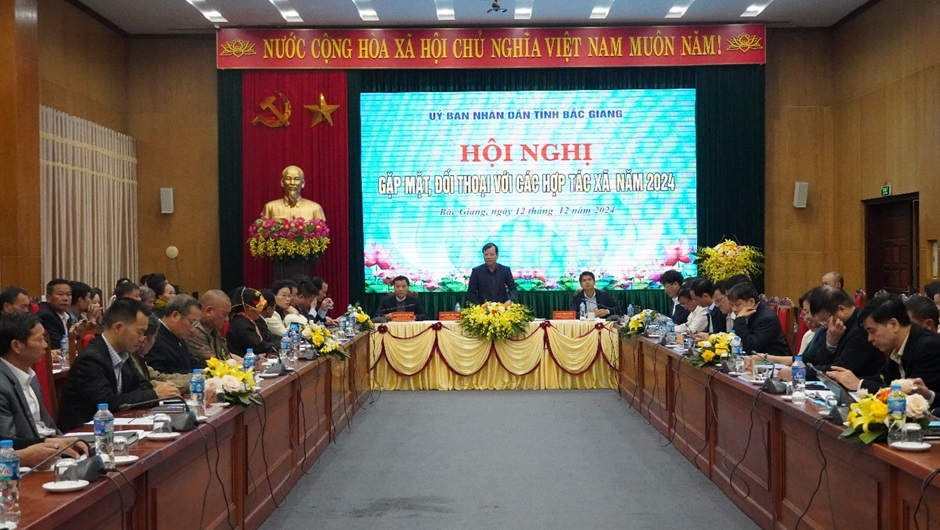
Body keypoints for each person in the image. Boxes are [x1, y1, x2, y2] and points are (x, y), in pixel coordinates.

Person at [57, 299, 181, 433]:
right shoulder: (91, 359)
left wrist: (145, 394)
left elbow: (144, 385)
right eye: (139, 332)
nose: (142, 339)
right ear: (118, 328)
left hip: (115, 428)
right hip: (82, 434)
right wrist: (154, 395)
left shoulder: (123, 354)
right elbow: (107, 403)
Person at [0, 312, 89, 457]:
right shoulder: (2, 386)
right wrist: (51, 444)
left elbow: (48, 427)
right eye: (40, 339)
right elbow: (7, 443)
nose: (46, 345)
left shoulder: (31, 377)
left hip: (49, 448)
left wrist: (64, 442)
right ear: (17, 346)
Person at [827, 295, 940, 398]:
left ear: (893, 324)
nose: (869, 338)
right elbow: (882, 379)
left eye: (872, 331)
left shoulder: (929, 346)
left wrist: (859, 384)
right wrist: (848, 380)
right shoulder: (898, 346)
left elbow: (913, 396)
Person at [780, 285, 883, 381]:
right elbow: (814, 359)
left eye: (825, 320)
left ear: (841, 309)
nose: (824, 325)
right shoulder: (833, 325)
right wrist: (830, 344)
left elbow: (839, 370)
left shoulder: (862, 329)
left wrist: (799, 372)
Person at [128, 314, 193, 394]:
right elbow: (149, 386)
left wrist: (198, 377)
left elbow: (159, 377)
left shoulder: (138, 356)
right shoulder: (129, 358)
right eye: (155, 337)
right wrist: (195, 383)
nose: (142, 340)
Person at [726, 281, 790, 356]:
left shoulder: (767, 318)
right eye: (732, 305)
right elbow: (733, 339)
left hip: (773, 361)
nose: (734, 309)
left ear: (752, 302)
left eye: (738, 305)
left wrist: (740, 320)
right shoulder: (747, 314)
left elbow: (750, 348)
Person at [146, 294, 204, 374]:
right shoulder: (154, 338)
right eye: (192, 322)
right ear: (175, 316)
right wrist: (197, 373)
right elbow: (160, 376)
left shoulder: (178, 336)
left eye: (196, 324)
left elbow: (193, 363)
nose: (193, 330)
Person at [186, 290, 236, 364]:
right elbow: (212, 363)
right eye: (224, 314)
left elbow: (226, 356)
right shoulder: (194, 330)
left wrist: (247, 361)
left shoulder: (213, 329)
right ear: (209, 311)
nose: (227, 319)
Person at [261, 165, 326, 221]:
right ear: (282, 182)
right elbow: (262, 230)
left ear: (303, 183)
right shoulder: (270, 207)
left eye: (296, 179)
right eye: (288, 179)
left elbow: (321, 230)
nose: (292, 183)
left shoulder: (315, 208)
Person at [226, 287, 277, 356]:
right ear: (246, 307)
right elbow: (257, 347)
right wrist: (278, 345)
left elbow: (265, 338)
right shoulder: (241, 324)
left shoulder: (247, 320)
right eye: (257, 308)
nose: (260, 311)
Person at [37, 278, 73, 348]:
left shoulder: (67, 315)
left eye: (68, 294)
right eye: (60, 294)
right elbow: (57, 344)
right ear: (48, 298)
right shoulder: (45, 316)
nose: (65, 298)